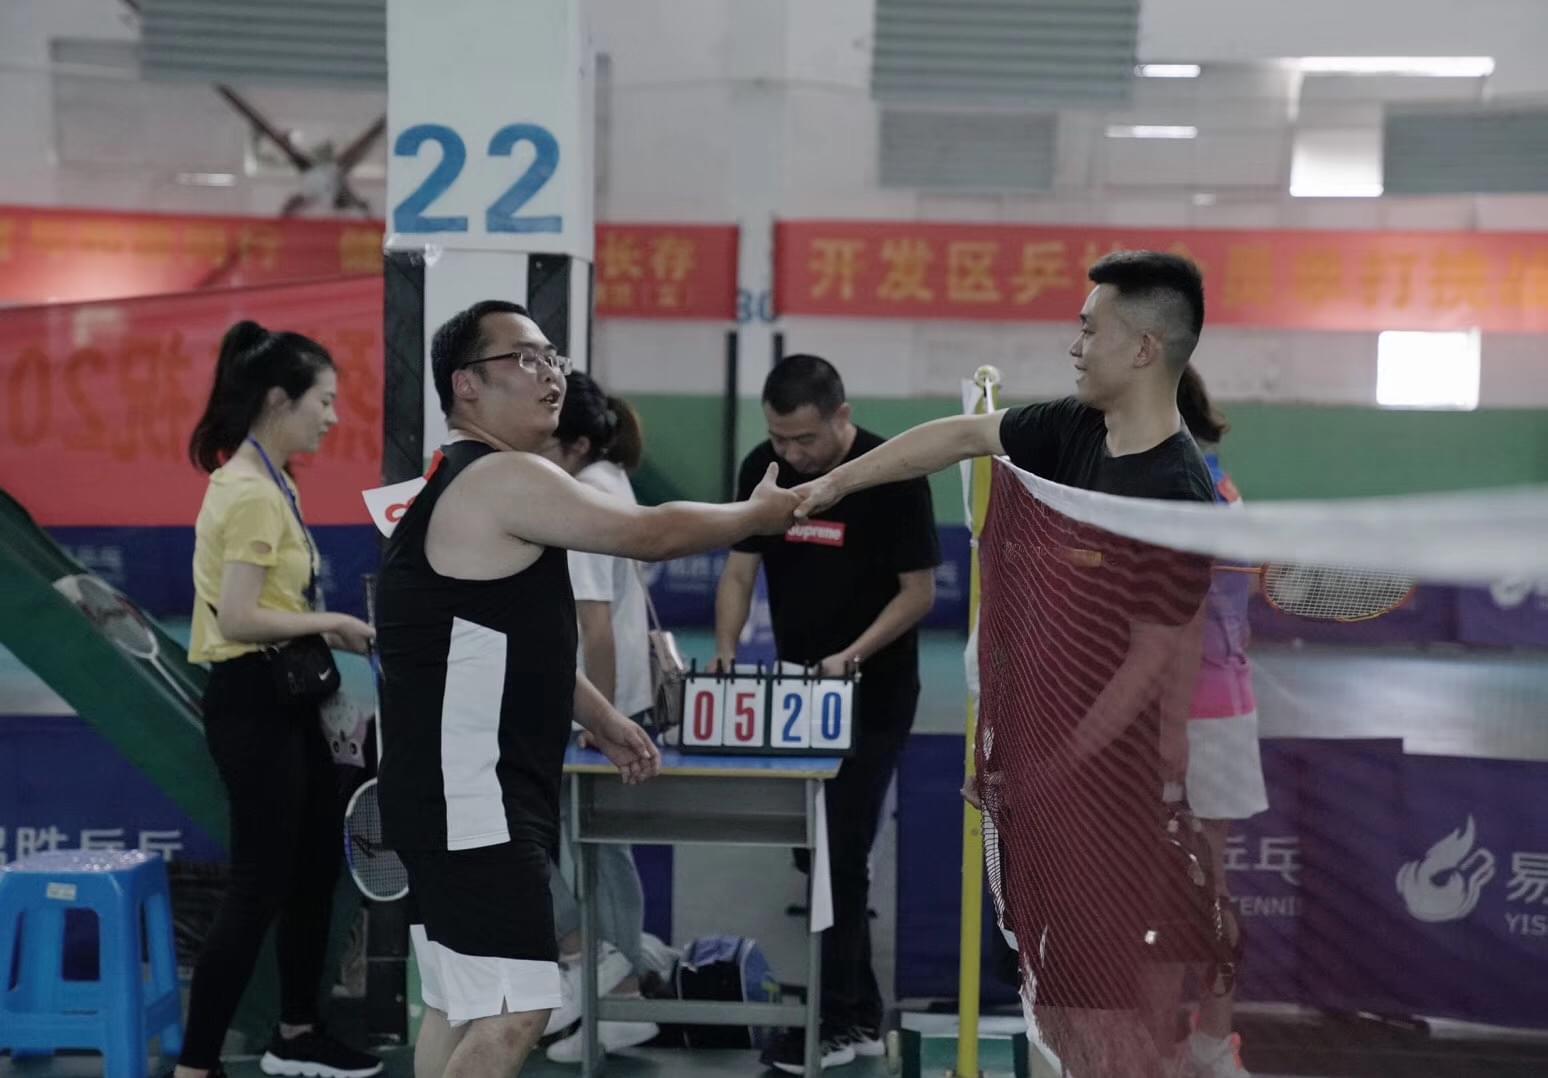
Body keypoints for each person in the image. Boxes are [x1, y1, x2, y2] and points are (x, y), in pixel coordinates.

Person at [794, 252, 1217, 1077]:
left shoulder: (1177, 495)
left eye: (1090, 330)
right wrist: (835, 484)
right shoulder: (1074, 429)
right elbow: (959, 436)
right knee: (1053, 1010)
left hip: (1107, 803)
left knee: (1105, 1026)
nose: (1075, 345)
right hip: (1036, 784)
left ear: (1143, 348)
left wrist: (1052, 770)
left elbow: (1146, 669)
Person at [375, 300, 800, 1078]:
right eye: (526, 358)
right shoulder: (501, 476)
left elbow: (504, 640)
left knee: (459, 1003)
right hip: (473, 796)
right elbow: (651, 534)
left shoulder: (460, 480)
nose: (550, 374)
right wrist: (758, 515)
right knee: (516, 1011)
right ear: (467, 384)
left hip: (450, 789)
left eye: (553, 358)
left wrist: (599, 715)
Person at [714, 354, 940, 1074]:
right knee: (815, 854)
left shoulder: (892, 473)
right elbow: (739, 570)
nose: (791, 455)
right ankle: (860, 1011)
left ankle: (841, 1018)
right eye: (779, 438)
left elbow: (918, 593)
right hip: (797, 698)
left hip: (873, 694)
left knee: (841, 849)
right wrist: (726, 652)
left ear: (842, 416)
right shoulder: (765, 469)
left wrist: (852, 654)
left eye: (804, 440)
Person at [180, 321, 382, 1078]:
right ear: (277, 400)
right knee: (258, 886)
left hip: (289, 697)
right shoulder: (253, 495)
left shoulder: (274, 481)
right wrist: (330, 624)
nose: (333, 416)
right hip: (253, 700)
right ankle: (196, 1066)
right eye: (322, 401)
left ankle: (297, 1034)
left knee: (310, 870)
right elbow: (238, 618)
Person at [538, 370, 660, 1061]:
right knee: (598, 842)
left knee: (585, 842)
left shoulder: (583, 498)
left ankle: (604, 973)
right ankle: (616, 990)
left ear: (578, 444)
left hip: (596, 705)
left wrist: (601, 722)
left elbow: (597, 628)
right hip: (611, 700)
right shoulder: (610, 480)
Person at [1175, 366, 1267, 1078]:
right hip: (1222, 703)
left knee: (1193, 892)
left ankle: (1201, 1044)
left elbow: (1177, 613)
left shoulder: (1186, 489)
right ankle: (1202, 1041)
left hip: (1190, 712)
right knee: (1203, 890)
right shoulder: (1222, 482)